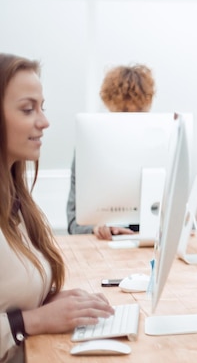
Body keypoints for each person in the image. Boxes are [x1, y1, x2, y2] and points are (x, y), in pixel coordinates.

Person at [0, 53, 114, 363]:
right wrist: (34, 320)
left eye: (42, 107)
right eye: (28, 109)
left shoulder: (15, 201)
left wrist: (49, 303)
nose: (44, 121)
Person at [66, 64, 155, 239]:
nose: (128, 121)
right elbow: (73, 223)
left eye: (137, 113)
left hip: (150, 244)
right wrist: (94, 228)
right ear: (109, 106)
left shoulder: (163, 145)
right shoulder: (88, 149)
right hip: (105, 245)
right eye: (122, 113)